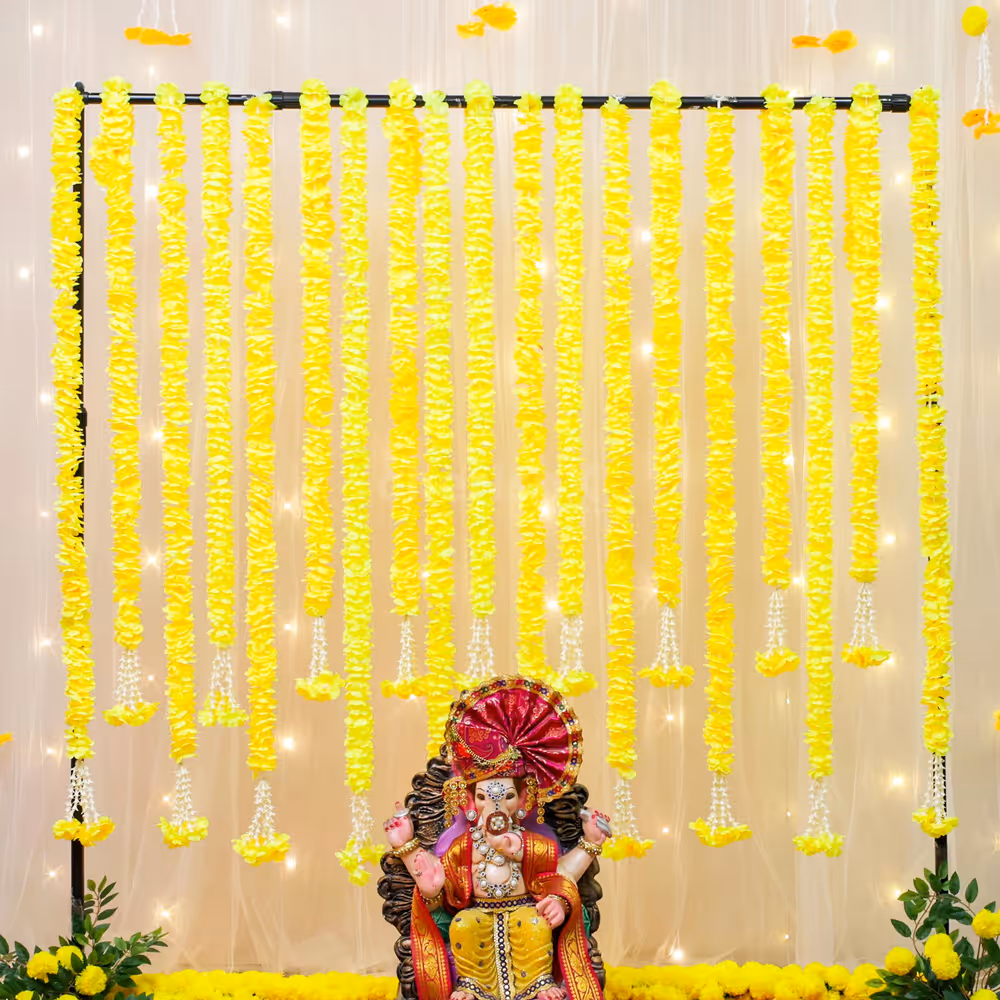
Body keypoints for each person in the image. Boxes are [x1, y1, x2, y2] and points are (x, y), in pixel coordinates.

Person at [384, 676, 611, 1000]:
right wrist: (408, 849)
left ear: (523, 800)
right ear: (470, 802)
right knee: (464, 925)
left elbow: (563, 874)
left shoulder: (533, 844)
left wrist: (586, 850)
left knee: (534, 925)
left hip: (523, 909)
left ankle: (539, 986)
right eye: (484, 797)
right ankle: (473, 987)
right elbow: (437, 884)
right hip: (477, 912)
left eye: (505, 796)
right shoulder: (464, 846)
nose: (495, 806)